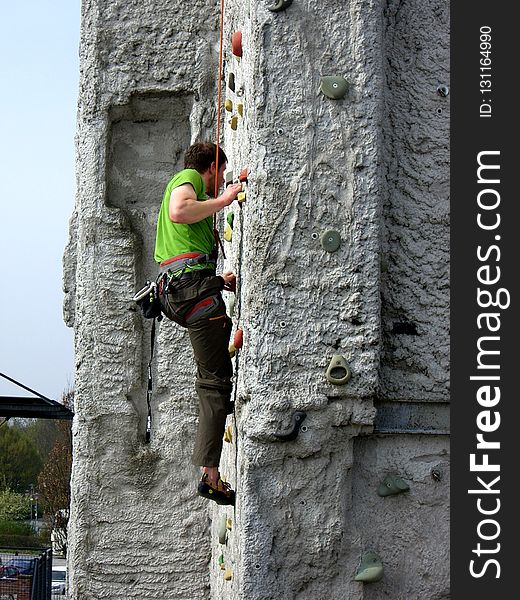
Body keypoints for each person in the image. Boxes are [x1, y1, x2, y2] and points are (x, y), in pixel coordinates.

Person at [154, 142, 242, 506]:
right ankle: (210, 474)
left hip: (185, 292)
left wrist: (220, 281)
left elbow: (187, 252)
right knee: (214, 383)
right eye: (220, 173)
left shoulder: (190, 190)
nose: (221, 180)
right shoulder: (188, 178)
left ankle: (225, 388)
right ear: (211, 166)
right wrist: (226, 199)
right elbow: (180, 211)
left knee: (214, 374)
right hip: (191, 294)